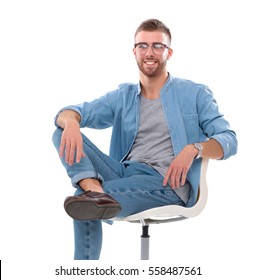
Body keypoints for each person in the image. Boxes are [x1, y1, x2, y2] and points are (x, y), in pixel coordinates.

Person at [52, 18, 237, 260]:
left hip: (166, 183)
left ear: (168, 52)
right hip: (122, 172)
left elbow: (229, 140)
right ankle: (92, 187)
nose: (150, 52)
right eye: (143, 46)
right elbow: (69, 113)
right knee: (61, 130)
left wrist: (195, 148)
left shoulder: (195, 93)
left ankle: (91, 205)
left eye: (157, 46)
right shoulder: (123, 96)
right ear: (134, 51)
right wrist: (73, 122)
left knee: (83, 203)